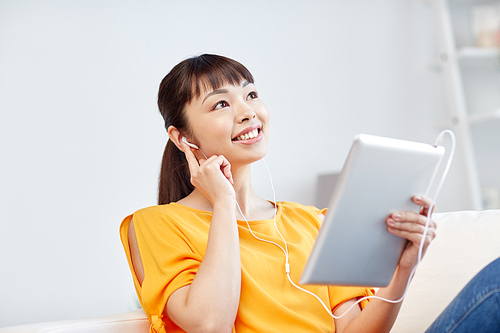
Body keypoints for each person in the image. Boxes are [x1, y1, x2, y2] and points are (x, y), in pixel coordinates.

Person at [119, 54, 500, 333]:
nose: (248, 112)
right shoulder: (156, 225)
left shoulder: (311, 221)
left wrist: (402, 270)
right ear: (182, 137)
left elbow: (353, 328)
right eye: (221, 103)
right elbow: (209, 324)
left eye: (251, 95)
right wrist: (223, 202)